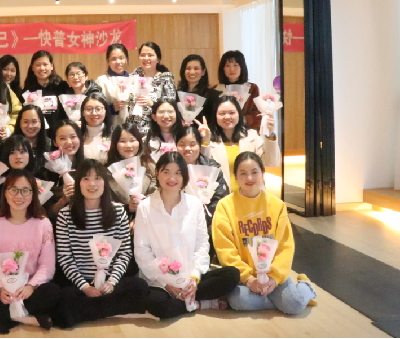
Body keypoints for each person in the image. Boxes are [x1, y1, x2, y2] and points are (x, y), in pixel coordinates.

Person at [135, 152, 240, 320]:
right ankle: (199, 303)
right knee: (157, 305)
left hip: (190, 275)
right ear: (157, 173)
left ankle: (189, 297)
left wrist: (194, 278)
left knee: (231, 275)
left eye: (178, 173)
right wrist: (166, 283)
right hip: (160, 281)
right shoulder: (145, 207)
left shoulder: (194, 204)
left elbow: (202, 244)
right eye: (166, 172)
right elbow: (142, 251)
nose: (172, 178)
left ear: (184, 176)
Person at [213, 152, 317, 314]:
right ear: (236, 177)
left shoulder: (277, 205)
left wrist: (274, 278)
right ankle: (281, 301)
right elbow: (225, 250)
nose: (249, 178)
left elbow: (285, 246)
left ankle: (305, 286)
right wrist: (248, 278)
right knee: (238, 300)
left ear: (262, 174)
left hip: (272, 275)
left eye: (254, 172)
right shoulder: (224, 206)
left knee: (295, 305)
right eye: (243, 173)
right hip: (246, 278)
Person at [53, 160, 148, 328]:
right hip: (81, 284)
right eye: (86, 179)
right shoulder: (65, 215)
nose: (92, 184)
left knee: (139, 286)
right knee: (65, 297)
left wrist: (111, 282)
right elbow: (65, 257)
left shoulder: (118, 211)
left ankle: (85, 313)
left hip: (110, 283)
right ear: (78, 183)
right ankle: (113, 309)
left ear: (105, 182)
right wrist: (85, 287)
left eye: (97, 178)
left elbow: (125, 253)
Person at [0, 170, 60, 334]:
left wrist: (31, 286)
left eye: (25, 190)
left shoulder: (43, 224)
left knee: (53, 291)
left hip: (30, 292)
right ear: (6, 193)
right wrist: (0, 289)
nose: (19, 195)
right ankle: (23, 317)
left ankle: (3, 318)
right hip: (4, 292)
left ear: (33, 194)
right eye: (14, 190)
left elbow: (47, 266)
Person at [205, 96, 280, 192]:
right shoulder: (209, 141)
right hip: (223, 197)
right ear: (215, 116)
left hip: (252, 195)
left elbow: (271, 162)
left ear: (239, 114)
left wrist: (270, 135)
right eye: (222, 113)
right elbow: (204, 169)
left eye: (232, 113)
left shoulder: (252, 136)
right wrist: (205, 141)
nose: (227, 117)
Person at [174, 126, 229, 239]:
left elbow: (220, 198)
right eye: (182, 144)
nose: (187, 148)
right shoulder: (170, 168)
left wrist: (201, 218)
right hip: (176, 226)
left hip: (208, 226)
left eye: (192, 144)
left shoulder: (212, 168)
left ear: (199, 146)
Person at [105, 123, 157, 220]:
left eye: (132, 140)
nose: (128, 145)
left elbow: (156, 193)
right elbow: (105, 202)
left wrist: (141, 204)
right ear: (115, 144)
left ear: (139, 142)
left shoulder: (150, 166)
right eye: (122, 141)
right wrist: (128, 208)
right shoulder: (106, 170)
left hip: (148, 218)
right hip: (118, 220)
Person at [126, 42, 177, 135]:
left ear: (158, 59)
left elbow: (171, 104)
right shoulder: (133, 76)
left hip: (155, 129)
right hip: (132, 128)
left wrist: (153, 104)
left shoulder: (165, 78)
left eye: (150, 55)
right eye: (142, 55)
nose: (146, 58)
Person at [44, 120, 85, 219]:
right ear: (55, 142)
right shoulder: (46, 171)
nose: (69, 142)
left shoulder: (89, 166)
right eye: (62, 138)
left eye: (73, 137)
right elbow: (46, 213)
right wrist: (63, 200)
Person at [214, 50, 261, 132]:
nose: (232, 69)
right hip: (222, 133)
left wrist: (244, 119)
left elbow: (258, 114)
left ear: (242, 67)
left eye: (236, 65)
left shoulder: (252, 88)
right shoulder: (215, 89)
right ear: (223, 69)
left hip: (247, 132)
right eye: (227, 65)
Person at [22, 50, 68, 131]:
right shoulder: (28, 90)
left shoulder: (61, 87)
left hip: (59, 133)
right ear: (32, 68)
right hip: (36, 133)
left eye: (45, 64)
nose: (42, 68)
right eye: (38, 65)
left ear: (52, 66)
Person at [177, 54, 220, 130]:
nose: (192, 72)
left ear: (203, 72)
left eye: (196, 68)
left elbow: (214, 121)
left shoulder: (212, 96)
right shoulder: (176, 94)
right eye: (188, 68)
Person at [95, 43, 131, 126]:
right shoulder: (102, 81)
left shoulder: (133, 80)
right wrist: (112, 108)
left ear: (126, 59)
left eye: (121, 58)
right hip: (110, 127)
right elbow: (95, 107)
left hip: (130, 127)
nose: (118, 62)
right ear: (108, 61)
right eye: (113, 59)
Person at [13, 104, 51, 179]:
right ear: (19, 123)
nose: (30, 126)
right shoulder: (10, 143)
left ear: (41, 123)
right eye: (26, 122)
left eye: (34, 122)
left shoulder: (48, 144)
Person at [145, 99, 183, 163]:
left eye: (170, 112)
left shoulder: (183, 136)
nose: (166, 116)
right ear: (154, 117)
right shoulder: (147, 139)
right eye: (161, 112)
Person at [79, 93, 113, 163]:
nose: (94, 113)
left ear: (106, 111)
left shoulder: (114, 135)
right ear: (82, 112)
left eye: (98, 109)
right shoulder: (77, 136)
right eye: (89, 109)